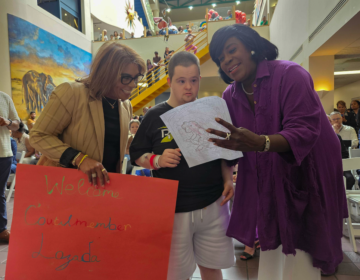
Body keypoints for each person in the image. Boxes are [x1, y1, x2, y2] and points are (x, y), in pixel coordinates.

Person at [207, 24, 347, 279]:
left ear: (251, 46)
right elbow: (233, 143)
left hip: (309, 167)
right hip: (267, 173)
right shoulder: (230, 94)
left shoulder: (290, 74)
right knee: (274, 238)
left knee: (305, 242)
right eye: (220, 58)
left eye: (231, 50)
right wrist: (226, 171)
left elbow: (303, 130)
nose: (226, 60)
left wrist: (262, 143)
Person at [130, 51, 235, 280]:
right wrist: (157, 160)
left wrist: (228, 179)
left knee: (213, 268)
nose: (188, 87)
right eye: (181, 81)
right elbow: (136, 153)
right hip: (172, 209)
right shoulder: (154, 116)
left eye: (193, 80)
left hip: (213, 203)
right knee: (176, 274)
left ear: (199, 79)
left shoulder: (211, 113)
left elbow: (224, 154)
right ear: (169, 82)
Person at [30, 42, 146, 187]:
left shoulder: (125, 106)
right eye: (127, 77)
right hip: (65, 188)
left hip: (102, 191)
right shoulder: (72, 93)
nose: (133, 84)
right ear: (106, 73)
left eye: (136, 78)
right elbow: (38, 135)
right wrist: (79, 159)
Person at [0, 91, 20, 242]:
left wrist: (7, 122)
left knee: (0, 192)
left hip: (3, 153)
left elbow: (17, 125)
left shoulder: (4, 97)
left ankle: (1, 230)